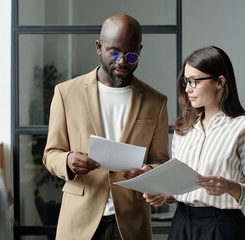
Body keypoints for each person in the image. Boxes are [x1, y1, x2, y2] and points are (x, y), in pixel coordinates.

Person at [43, 14, 169, 240]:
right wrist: (68, 160)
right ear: (99, 47)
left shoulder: (156, 101)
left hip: (132, 225)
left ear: (139, 51)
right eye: (114, 52)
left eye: (131, 55)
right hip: (79, 224)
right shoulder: (66, 93)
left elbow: (161, 160)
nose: (122, 62)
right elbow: (50, 154)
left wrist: (149, 172)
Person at [143, 46, 245, 240]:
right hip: (181, 223)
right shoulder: (183, 128)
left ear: (220, 82)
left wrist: (229, 187)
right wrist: (165, 195)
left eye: (194, 81)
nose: (187, 88)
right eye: (186, 81)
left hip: (223, 226)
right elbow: (179, 187)